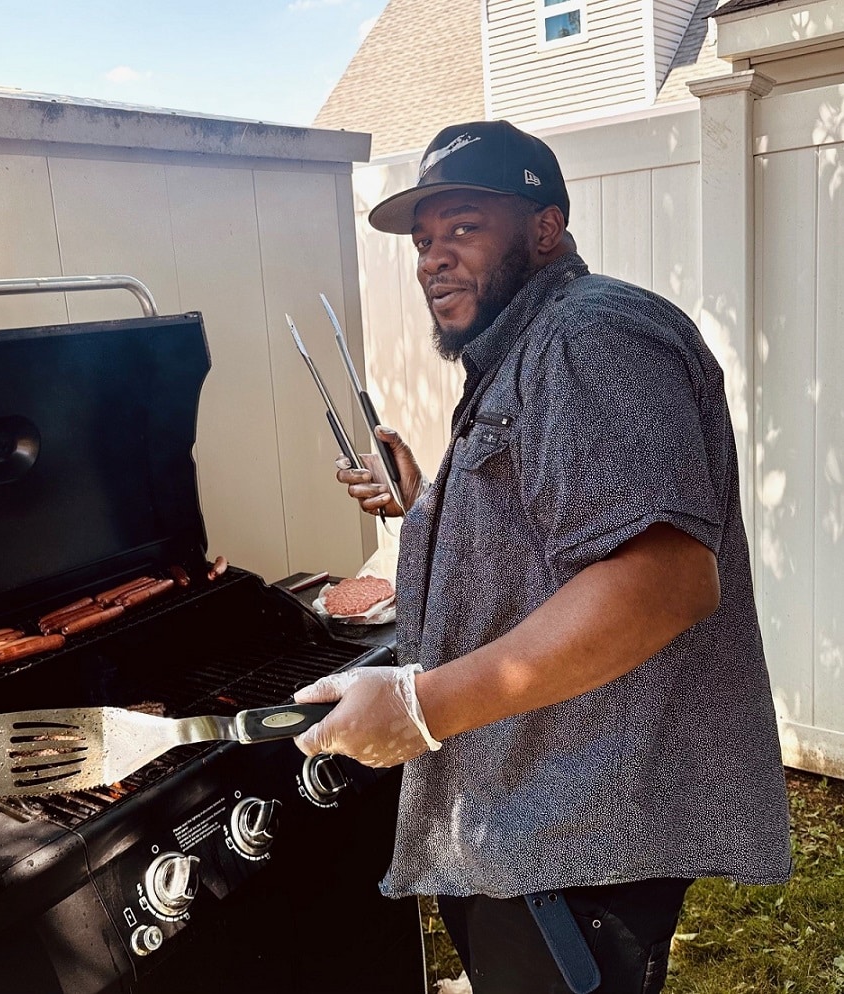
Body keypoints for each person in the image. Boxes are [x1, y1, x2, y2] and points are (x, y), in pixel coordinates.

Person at [292, 120, 792, 994]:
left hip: (575, 827)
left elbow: (662, 581)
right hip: (533, 816)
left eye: (463, 227)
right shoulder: (529, 349)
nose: (433, 259)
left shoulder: (587, 338)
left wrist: (418, 708)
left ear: (545, 228)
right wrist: (430, 506)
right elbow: (559, 533)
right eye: (423, 241)